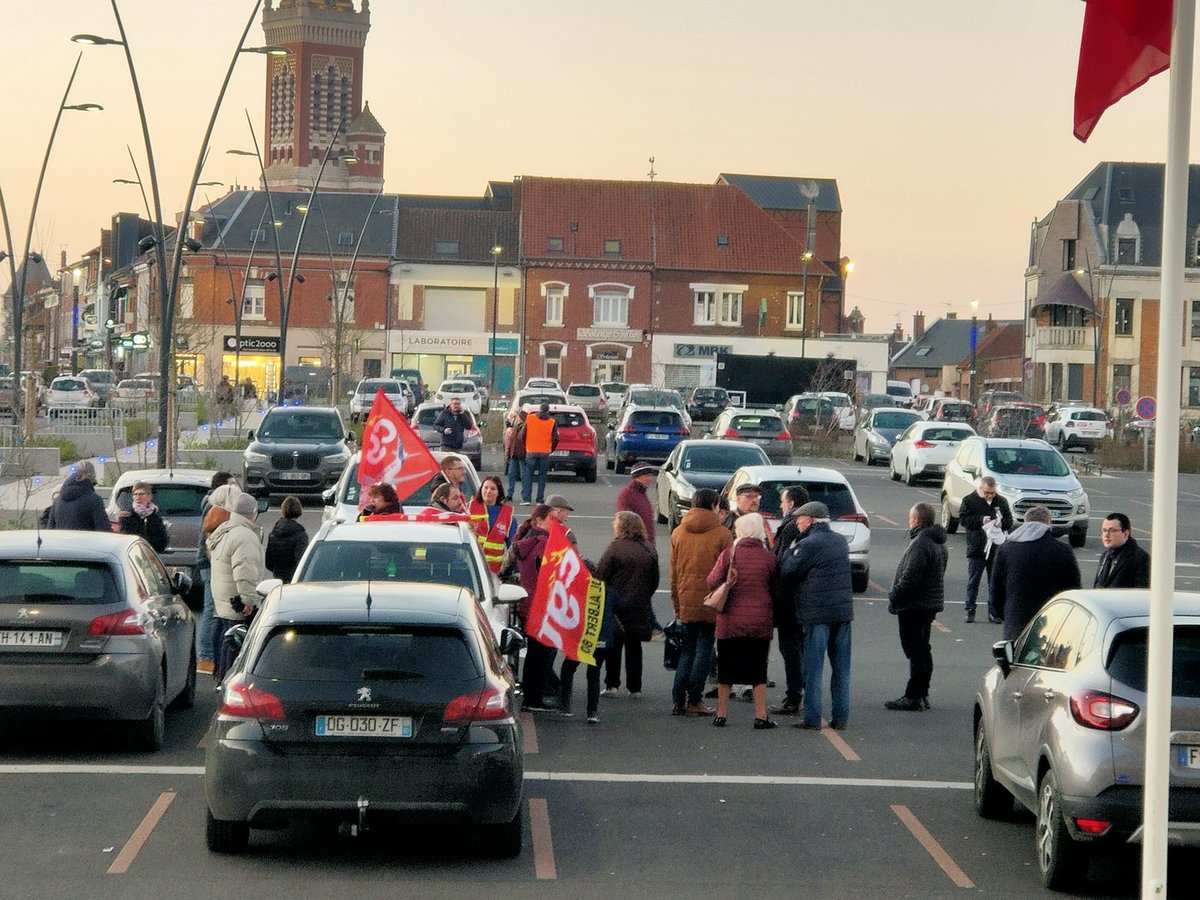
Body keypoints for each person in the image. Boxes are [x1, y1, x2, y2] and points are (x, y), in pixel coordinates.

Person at [780, 500, 854, 731]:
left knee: (814, 668)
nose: (798, 524)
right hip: (842, 613)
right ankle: (840, 718)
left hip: (816, 614)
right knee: (841, 668)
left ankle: (812, 717)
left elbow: (788, 570)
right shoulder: (840, 542)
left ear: (810, 520)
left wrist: (792, 548)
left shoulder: (809, 543)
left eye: (800, 519)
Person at [707, 513, 780, 729]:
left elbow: (712, 581)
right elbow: (778, 592)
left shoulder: (729, 555)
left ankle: (721, 714)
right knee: (758, 670)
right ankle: (760, 716)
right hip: (759, 621)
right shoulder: (769, 559)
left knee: (726, 670)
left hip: (730, 620)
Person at [669, 488, 732, 717]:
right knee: (704, 648)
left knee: (687, 650)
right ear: (714, 505)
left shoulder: (678, 532)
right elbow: (728, 570)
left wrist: (676, 601)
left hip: (685, 595)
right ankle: (695, 699)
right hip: (711, 598)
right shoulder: (723, 534)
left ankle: (678, 700)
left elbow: (673, 571)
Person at [884, 502, 947, 712]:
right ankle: (922, 692)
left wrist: (895, 595)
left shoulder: (921, 543)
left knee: (915, 651)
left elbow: (910, 577)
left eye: (910, 519)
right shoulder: (938, 542)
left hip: (915, 605)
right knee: (923, 649)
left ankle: (914, 696)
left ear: (917, 520)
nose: (909, 522)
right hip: (929, 603)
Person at [992, 505, 1082, 643]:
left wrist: (1003, 613)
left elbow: (996, 589)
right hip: (1053, 621)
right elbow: (1074, 588)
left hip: (1017, 620)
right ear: (1048, 522)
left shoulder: (1006, 549)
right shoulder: (1062, 550)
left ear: (1026, 522)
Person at [597, 511, 661, 700]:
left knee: (614, 645)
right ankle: (635, 687)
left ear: (622, 526)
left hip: (616, 604)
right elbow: (654, 580)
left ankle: (612, 684)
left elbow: (601, 575)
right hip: (640, 604)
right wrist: (644, 595)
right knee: (635, 647)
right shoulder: (649, 549)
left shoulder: (615, 548)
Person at [207, 492, 267, 680]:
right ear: (253, 513)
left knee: (225, 644)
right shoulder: (244, 536)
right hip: (237, 604)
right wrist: (248, 600)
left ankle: (220, 679)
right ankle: (229, 684)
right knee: (236, 650)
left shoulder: (224, 530)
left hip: (223, 601)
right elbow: (245, 571)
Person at [512, 504, 557, 710]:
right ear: (539, 521)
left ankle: (532, 695)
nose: (555, 523)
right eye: (551, 519)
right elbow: (548, 574)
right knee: (541, 653)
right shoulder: (542, 543)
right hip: (540, 605)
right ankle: (534, 698)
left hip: (526, 603)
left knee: (535, 652)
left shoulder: (525, 539)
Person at [770, 485, 810, 716]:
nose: (780, 505)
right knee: (801, 647)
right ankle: (802, 690)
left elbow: (783, 564)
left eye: (783, 501)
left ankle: (794, 696)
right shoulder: (809, 527)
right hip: (803, 599)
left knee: (790, 649)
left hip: (788, 600)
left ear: (792, 504)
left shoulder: (789, 528)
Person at [194, 472, 238, 675]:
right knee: (211, 608)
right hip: (210, 563)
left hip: (207, 562)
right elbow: (208, 539)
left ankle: (207, 655)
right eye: (231, 484)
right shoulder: (215, 507)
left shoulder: (211, 504)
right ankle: (205, 655)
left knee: (212, 608)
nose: (235, 488)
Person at [959, 476, 1013, 623]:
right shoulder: (969, 500)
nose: (989, 496)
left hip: (996, 548)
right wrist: (981, 520)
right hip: (977, 547)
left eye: (992, 493)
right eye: (986, 492)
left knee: (994, 582)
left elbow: (1010, 520)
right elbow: (963, 519)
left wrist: (1002, 524)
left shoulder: (1001, 501)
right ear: (980, 488)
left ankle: (994, 612)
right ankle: (970, 609)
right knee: (973, 581)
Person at [468, 476, 517, 573]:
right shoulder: (469, 508)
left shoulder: (508, 515)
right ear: (481, 489)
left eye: (493, 489)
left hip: (495, 571)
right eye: (486, 488)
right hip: (471, 566)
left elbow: (513, 546)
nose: (488, 491)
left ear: (499, 492)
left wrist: (513, 571)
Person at [46, 461, 110, 531]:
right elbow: (104, 530)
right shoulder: (95, 501)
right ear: (92, 478)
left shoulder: (57, 501)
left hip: (61, 541)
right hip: (86, 541)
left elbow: (50, 530)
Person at [1094, 512, 1151, 588]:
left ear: (1126, 534)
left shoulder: (1140, 558)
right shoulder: (1105, 555)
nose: (1107, 535)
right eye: (1104, 530)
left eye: (1112, 531)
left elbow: (1141, 592)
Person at [115, 481, 169, 553]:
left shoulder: (155, 517)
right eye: (135, 494)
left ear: (150, 497)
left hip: (150, 554)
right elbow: (124, 538)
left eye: (141, 494)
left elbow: (162, 541)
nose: (138, 497)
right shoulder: (126, 516)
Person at [265, 495, 309, 582]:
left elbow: (268, 562)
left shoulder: (274, 533)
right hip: (293, 577)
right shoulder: (300, 534)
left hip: (278, 575)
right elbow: (300, 560)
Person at [522, 402, 559, 505]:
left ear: (539, 409)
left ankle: (526, 499)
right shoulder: (552, 422)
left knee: (528, 476)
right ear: (548, 411)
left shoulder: (530, 418)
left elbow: (522, 434)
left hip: (531, 451)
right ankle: (539, 500)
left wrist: (526, 447)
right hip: (544, 452)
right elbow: (556, 438)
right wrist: (551, 449)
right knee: (542, 477)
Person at [616, 462, 659, 549]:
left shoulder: (641, 492)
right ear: (637, 476)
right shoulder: (627, 494)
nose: (650, 479)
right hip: (635, 546)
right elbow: (623, 523)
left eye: (651, 475)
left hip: (646, 544)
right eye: (647, 475)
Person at [504, 409, 529, 501]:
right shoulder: (514, 429)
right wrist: (508, 452)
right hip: (514, 455)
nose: (516, 420)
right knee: (511, 474)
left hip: (522, 455)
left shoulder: (525, 429)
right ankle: (509, 494)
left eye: (518, 418)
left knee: (523, 475)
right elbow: (509, 441)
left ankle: (525, 495)